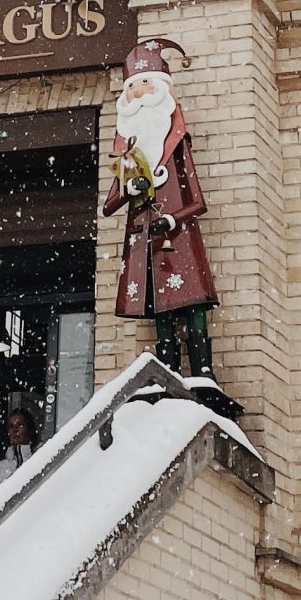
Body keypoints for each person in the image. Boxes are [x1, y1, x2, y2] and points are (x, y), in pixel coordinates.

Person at [102, 38, 220, 379]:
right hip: (145, 242)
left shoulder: (177, 145)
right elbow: (110, 205)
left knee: (193, 302)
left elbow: (197, 201)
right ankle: (168, 371)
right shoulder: (128, 157)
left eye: (145, 83)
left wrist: (172, 217)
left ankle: (203, 369)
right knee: (160, 308)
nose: (139, 92)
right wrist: (128, 188)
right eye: (133, 86)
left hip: (178, 238)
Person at [0, 405, 38, 493]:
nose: (14, 430)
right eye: (11, 426)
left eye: (19, 425)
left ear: (29, 429)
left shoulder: (39, 461)